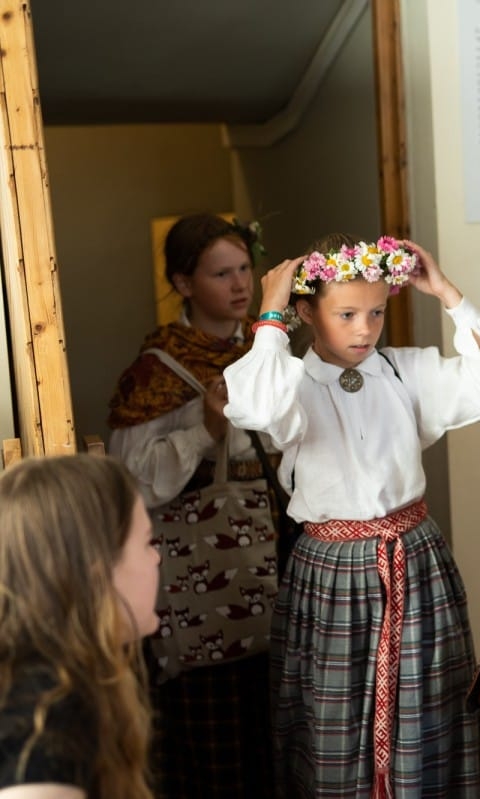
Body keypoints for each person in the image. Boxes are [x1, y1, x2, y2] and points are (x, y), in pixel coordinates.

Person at [223, 233, 480, 799]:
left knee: (427, 711)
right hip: (330, 573)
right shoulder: (289, 385)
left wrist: (447, 292)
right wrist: (270, 313)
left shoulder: (405, 372)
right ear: (307, 312)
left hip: (415, 559)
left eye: (376, 312)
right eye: (346, 314)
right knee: (332, 719)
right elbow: (253, 407)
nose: (364, 329)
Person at [106, 212, 275, 798]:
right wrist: (203, 430)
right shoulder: (156, 373)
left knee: (276, 749)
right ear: (184, 284)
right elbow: (130, 479)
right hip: (201, 607)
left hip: (274, 594)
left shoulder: (267, 353)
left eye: (245, 270)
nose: (239, 286)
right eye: (220, 273)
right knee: (215, 763)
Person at [0, 454, 159, 799]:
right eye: (147, 543)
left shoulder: (67, 675)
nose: (157, 557)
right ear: (97, 576)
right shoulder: (44, 717)